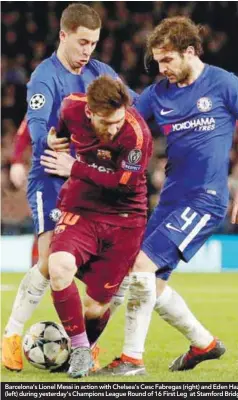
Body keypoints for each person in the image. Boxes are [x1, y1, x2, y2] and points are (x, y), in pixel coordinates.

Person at [99, 16, 238, 376]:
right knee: (148, 282)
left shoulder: (223, 84)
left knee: (139, 267)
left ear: (190, 51)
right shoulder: (158, 94)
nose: (162, 68)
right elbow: (125, 125)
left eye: (168, 60)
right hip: (170, 200)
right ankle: (204, 344)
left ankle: (132, 360)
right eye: (157, 61)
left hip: (205, 199)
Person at [2, 2, 136, 372]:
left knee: (105, 273)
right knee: (49, 261)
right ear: (63, 35)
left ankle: (84, 343)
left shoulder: (100, 73)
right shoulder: (45, 77)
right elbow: (36, 122)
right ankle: (11, 337)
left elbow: (132, 109)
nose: (87, 51)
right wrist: (45, 139)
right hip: (51, 178)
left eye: (93, 43)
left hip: (90, 183)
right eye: (81, 43)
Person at [40, 75, 152, 378]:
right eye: (107, 122)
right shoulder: (71, 108)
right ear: (90, 112)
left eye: (118, 121)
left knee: (95, 308)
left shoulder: (136, 135)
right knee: (58, 266)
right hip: (82, 208)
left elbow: (123, 186)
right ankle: (78, 349)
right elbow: (61, 129)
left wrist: (74, 167)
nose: (115, 128)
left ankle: (84, 349)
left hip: (125, 218)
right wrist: (54, 139)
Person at [9, 118, 39, 266]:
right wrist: (17, 161)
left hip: (83, 173)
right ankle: (35, 278)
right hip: (50, 176)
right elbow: (26, 126)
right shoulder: (44, 99)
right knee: (44, 228)